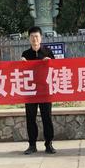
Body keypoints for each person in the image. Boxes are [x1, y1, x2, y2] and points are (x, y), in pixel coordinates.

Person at [21, 26, 56, 155]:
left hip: (45, 90)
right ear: (29, 39)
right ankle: (32, 145)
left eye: (36, 36)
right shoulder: (25, 54)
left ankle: (49, 144)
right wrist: (21, 64)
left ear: (41, 38)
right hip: (30, 91)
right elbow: (21, 73)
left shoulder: (48, 52)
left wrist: (50, 62)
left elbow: (56, 69)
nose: (34, 39)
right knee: (30, 118)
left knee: (47, 117)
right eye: (32, 36)